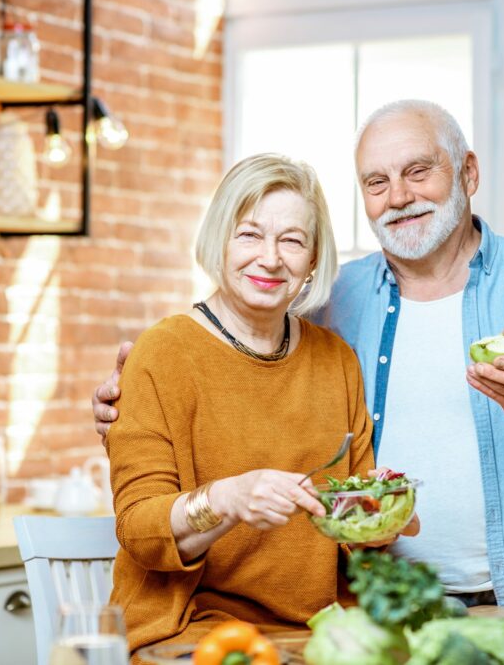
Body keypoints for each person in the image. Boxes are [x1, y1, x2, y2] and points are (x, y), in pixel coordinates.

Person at [95, 100, 504, 607]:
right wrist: (136, 404)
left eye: (418, 171)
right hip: (381, 601)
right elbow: (234, 352)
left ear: (468, 173)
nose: (398, 196)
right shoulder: (338, 300)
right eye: (377, 182)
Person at [104, 153, 407, 655]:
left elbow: (351, 522)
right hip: (188, 632)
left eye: (292, 240)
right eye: (249, 234)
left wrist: (383, 519)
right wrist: (227, 499)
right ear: (219, 241)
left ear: (312, 261)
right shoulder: (162, 352)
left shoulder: (336, 360)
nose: (270, 258)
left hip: (321, 633)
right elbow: (139, 528)